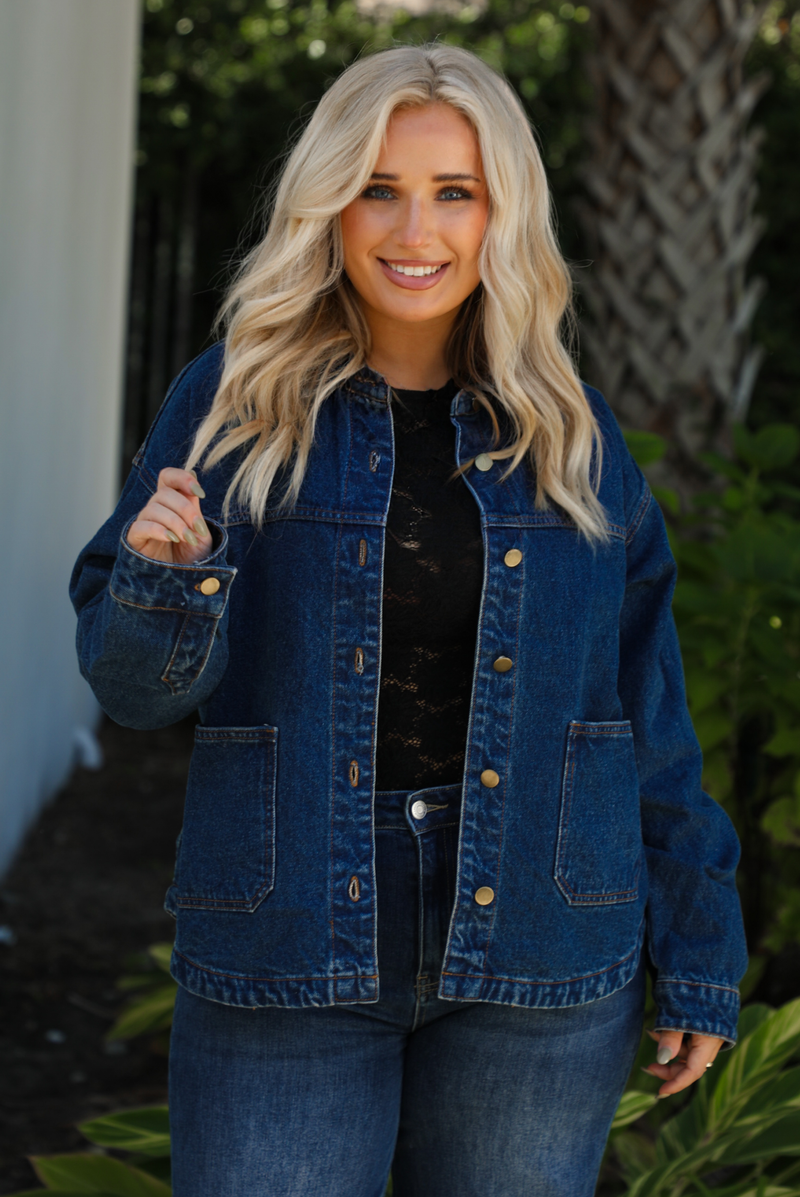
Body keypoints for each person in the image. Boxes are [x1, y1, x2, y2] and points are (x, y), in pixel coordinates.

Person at [70, 43, 748, 1197]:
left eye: (453, 192)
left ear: (501, 216)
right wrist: (165, 580)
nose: (411, 231)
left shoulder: (568, 432)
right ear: (327, 206)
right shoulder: (234, 402)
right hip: (289, 936)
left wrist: (695, 944)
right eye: (377, 188)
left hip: (538, 937)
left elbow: (643, 706)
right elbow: (135, 693)